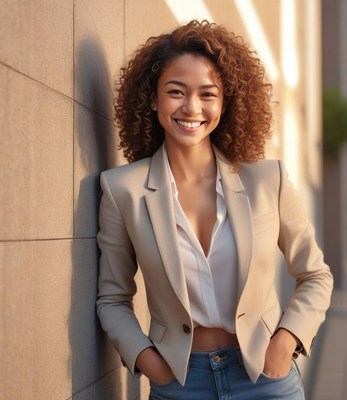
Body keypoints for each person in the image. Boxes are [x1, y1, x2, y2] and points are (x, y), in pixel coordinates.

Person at [96, 20, 333, 400]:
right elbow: (112, 298)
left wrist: (287, 341)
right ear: (153, 99)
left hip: (265, 379)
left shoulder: (266, 180)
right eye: (176, 91)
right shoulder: (122, 189)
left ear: (225, 103)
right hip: (180, 382)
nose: (192, 107)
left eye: (208, 94)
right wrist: (149, 362)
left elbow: (316, 275)